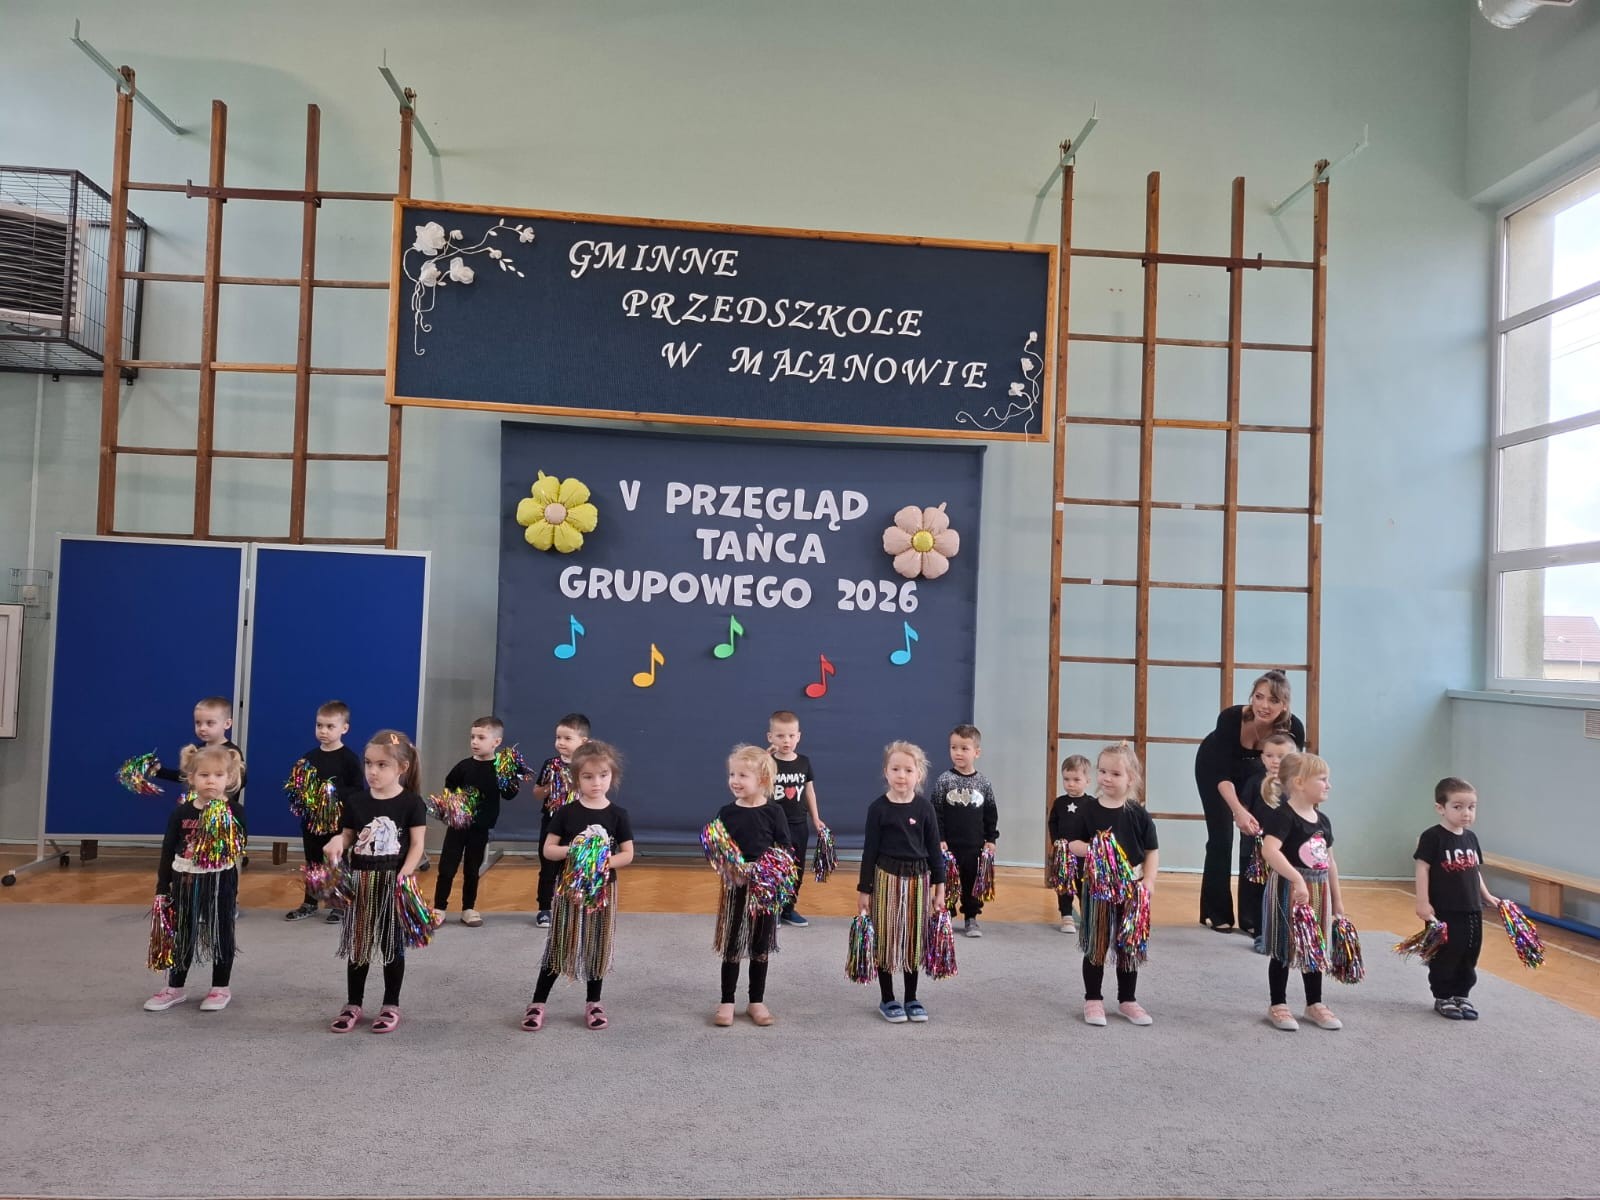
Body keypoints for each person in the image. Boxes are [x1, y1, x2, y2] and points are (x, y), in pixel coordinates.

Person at [522, 740, 634, 1032]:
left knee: (597, 945)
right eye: (588, 776)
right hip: (569, 889)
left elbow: (627, 854)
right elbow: (549, 850)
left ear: (613, 776)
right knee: (559, 943)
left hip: (602, 891)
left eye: (603, 775)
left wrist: (601, 862)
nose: (596, 782)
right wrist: (576, 851)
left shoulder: (618, 815)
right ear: (576, 779)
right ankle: (538, 1002)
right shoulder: (566, 812)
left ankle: (593, 1002)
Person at [324, 730, 428, 1034]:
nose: (372, 771)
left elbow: (418, 845)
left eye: (382, 765)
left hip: (393, 882)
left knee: (390, 944)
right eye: (368, 763)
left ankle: (390, 1004)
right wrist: (338, 840)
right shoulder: (356, 801)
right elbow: (348, 835)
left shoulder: (411, 803)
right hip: (361, 882)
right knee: (359, 944)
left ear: (402, 768)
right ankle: (353, 1004)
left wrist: (405, 872)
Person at [1193, 670, 1306, 932]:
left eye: (1273, 700)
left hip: (1258, 774)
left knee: (1257, 841)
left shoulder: (1294, 729)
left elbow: (1290, 774)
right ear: (1252, 696)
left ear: (1284, 705)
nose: (1264, 705)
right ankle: (1216, 912)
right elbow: (1222, 775)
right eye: (1259, 697)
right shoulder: (1231, 718)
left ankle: (1253, 916)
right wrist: (1238, 811)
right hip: (1215, 770)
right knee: (1221, 838)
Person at [143, 745, 246, 1012]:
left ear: (229, 778)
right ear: (191, 778)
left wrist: (218, 824)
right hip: (185, 881)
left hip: (220, 882)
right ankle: (175, 987)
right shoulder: (181, 813)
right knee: (183, 932)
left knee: (221, 932)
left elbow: (239, 848)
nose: (211, 781)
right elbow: (168, 849)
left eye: (218, 775)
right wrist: (162, 886)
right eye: (204, 775)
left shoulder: (234, 811)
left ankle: (220, 987)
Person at [1064, 742, 1159, 1027]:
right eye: (1103, 771)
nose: (1107, 778)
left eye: (1115, 774)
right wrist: (1096, 848)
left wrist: (1149, 880)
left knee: (1129, 944)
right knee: (1097, 943)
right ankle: (1093, 999)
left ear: (1131, 778)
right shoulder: (1088, 810)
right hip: (1099, 889)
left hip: (1132, 889)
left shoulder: (1138, 813)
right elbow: (1073, 843)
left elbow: (1152, 850)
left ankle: (1127, 1000)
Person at [856, 741, 947, 1023]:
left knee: (913, 939)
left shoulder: (925, 809)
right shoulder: (878, 809)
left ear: (919, 775)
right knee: (886, 938)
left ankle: (911, 998)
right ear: (886, 771)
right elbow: (869, 851)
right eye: (895, 769)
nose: (901, 775)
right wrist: (864, 889)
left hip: (919, 880)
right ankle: (887, 998)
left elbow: (935, 851)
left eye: (908, 770)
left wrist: (940, 887)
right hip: (886, 880)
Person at [1260, 751, 1344, 1032]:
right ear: (1298, 783)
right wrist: (1296, 879)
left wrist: (1337, 901)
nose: (1328, 785)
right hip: (1288, 890)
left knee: (1314, 946)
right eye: (1322, 779)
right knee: (1284, 946)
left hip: (1318, 890)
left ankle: (1314, 1003)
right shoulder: (1283, 816)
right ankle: (1278, 1003)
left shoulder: (1323, 820)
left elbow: (1330, 861)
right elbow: (1270, 850)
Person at [710, 744, 792, 1028]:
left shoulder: (774, 811)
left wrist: (766, 872)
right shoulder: (726, 812)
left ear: (763, 779)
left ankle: (756, 1000)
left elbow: (785, 848)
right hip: (736, 886)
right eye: (732, 774)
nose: (735, 780)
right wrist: (732, 870)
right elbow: (718, 848)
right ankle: (727, 1000)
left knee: (760, 943)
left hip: (764, 889)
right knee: (732, 942)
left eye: (743, 775)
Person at [1413, 777, 1499, 1021]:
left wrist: (1486, 895)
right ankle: (1443, 995)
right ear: (1441, 808)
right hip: (1444, 909)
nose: (1466, 813)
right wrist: (1422, 902)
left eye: (1471, 807)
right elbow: (1422, 868)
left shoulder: (1471, 838)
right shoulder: (1433, 837)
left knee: (1469, 952)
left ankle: (1462, 994)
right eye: (1458, 807)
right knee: (1447, 953)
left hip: (1472, 908)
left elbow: (1474, 870)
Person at [432, 716, 520, 927]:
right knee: (447, 867)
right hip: (458, 826)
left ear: (496, 742)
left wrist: (508, 776)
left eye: (481, 737)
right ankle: (439, 908)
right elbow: (449, 786)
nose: (474, 742)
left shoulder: (500, 768)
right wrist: (454, 804)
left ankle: (468, 908)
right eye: (472, 737)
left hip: (480, 828)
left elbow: (509, 794)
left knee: (472, 869)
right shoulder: (464, 766)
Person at [285, 700, 364, 923]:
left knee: (336, 861)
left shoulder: (349, 758)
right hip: (312, 822)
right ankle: (310, 902)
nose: (323, 731)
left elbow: (357, 789)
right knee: (312, 861)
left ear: (344, 728)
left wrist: (331, 792)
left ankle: (339, 903)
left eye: (330, 726)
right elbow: (298, 788)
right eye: (319, 725)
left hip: (338, 822)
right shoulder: (309, 758)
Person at [932, 724, 999, 938]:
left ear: (976, 752)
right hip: (949, 845)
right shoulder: (944, 780)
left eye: (964, 748)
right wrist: (939, 837)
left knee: (971, 882)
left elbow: (990, 813)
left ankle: (971, 917)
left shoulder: (983, 782)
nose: (958, 753)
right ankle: (946, 915)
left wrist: (991, 839)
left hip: (974, 845)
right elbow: (935, 812)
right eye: (954, 747)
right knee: (948, 881)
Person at [1238, 731, 1297, 950]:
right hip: (1258, 850)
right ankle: (1261, 933)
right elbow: (1244, 809)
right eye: (1270, 756)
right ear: (1262, 758)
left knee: (1284, 889)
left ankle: (1285, 931)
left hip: (1285, 849)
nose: (1275, 761)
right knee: (1259, 891)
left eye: (1281, 756)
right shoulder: (1255, 782)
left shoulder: (1295, 785)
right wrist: (1247, 823)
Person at [768, 710, 825, 927]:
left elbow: (810, 792)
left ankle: (788, 908)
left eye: (791, 735)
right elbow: (754, 773)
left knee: (796, 868)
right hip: (773, 826)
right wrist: (765, 755)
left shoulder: (804, 762)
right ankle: (771, 909)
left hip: (798, 825)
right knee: (775, 867)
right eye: (780, 736)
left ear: (799, 736)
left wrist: (816, 818)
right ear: (770, 737)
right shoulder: (768, 762)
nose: (786, 740)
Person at [533, 713, 589, 928]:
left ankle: (572, 906)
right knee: (548, 866)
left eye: (567, 738)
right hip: (552, 822)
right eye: (558, 738)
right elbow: (537, 792)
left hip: (578, 824)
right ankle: (544, 908)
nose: (561, 742)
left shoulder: (587, 765)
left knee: (575, 865)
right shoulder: (551, 764)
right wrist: (552, 784)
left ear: (583, 741)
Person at [154, 695, 248, 810]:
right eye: (198, 723)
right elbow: (186, 776)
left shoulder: (231, 752)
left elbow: (240, 781)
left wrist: (218, 797)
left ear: (227, 724)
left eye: (210, 723)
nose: (202, 728)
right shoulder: (198, 750)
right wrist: (160, 771)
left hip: (222, 812)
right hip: (197, 810)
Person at [1048, 755, 1093, 934]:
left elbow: (1095, 827)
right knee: (1064, 885)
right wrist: (1056, 841)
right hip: (1064, 854)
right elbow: (1052, 822)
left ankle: (1087, 917)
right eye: (1066, 779)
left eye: (1076, 780)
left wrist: (1089, 846)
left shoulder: (1092, 804)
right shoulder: (1060, 803)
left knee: (1084, 886)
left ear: (1087, 781)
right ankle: (1066, 915)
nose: (1070, 784)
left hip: (1083, 855)